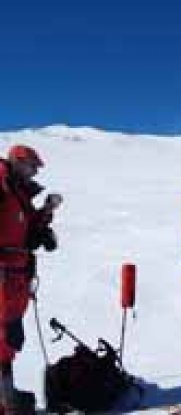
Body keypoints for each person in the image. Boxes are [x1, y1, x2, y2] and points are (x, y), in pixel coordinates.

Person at [0, 145, 62, 414]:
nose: (34, 172)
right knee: (2, 336)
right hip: (3, 277)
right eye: (31, 167)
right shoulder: (1, 187)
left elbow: (26, 225)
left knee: (10, 337)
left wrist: (46, 213)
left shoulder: (18, 193)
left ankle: (6, 394)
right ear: (17, 162)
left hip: (16, 279)